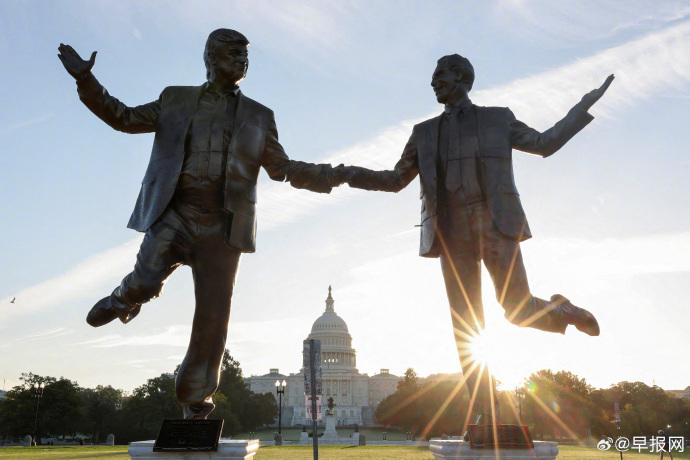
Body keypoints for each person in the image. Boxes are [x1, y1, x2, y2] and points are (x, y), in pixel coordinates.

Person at [58, 29, 348, 420]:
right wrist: (86, 79)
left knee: (212, 319)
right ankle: (125, 298)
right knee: (146, 281)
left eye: (246, 56)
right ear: (211, 58)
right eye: (234, 53)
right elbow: (123, 117)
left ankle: (196, 399)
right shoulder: (175, 99)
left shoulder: (259, 116)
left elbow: (282, 168)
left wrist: (334, 174)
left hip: (224, 228)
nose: (243, 61)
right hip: (175, 214)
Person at [338, 54, 613, 424]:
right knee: (465, 324)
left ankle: (564, 311)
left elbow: (544, 143)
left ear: (461, 77)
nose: (433, 82)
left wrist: (582, 107)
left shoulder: (497, 119)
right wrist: (348, 174)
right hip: (451, 233)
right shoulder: (423, 133)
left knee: (517, 310)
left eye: (439, 75)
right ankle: (486, 408)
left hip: (494, 223)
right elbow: (394, 179)